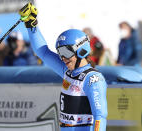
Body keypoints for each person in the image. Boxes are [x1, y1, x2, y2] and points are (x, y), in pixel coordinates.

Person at [19, 3, 107, 131]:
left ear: (81, 51)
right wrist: (31, 24)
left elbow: (100, 116)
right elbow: (42, 52)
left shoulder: (93, 78)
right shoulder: (67, 72)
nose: (63, 58)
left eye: (66, 52)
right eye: (60, 53)